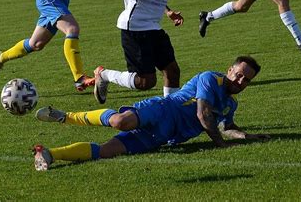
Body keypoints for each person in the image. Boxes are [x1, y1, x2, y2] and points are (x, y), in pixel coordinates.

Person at [32, 56, 271, 171]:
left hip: (164, 136)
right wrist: (220, 145)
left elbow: (226, 127)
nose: (240, 81)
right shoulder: (211, 78)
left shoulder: (231, 105)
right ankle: (67, 116)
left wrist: (247, 137)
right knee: (120, 121)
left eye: (246, 80)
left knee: (106, 152)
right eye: (238, 74)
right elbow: (203, 115)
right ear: (230, 69)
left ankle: (49, 155)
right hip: (163, 111)